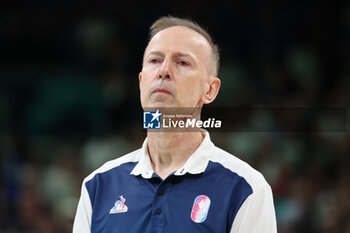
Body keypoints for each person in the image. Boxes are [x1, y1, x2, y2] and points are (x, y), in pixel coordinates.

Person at [73, 16, 277, 233]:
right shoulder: (97, 186)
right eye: (154, 60)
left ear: (210, 90)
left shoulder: (246, 188)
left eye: (182, 62)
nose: (164, 70)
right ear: (141, 82)